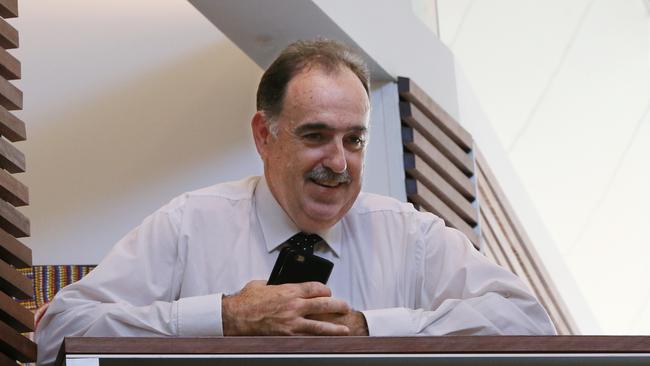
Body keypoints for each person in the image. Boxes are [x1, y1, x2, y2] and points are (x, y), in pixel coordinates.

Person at [35, 39, 556, 365]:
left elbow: (528, 323)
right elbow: (60, 330)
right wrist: (224, 318)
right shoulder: (189, 223)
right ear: (265, 136)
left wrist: (371, 330)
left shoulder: (411, 234)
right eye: (315, 136)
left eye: (354, 140)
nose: (339, 162)